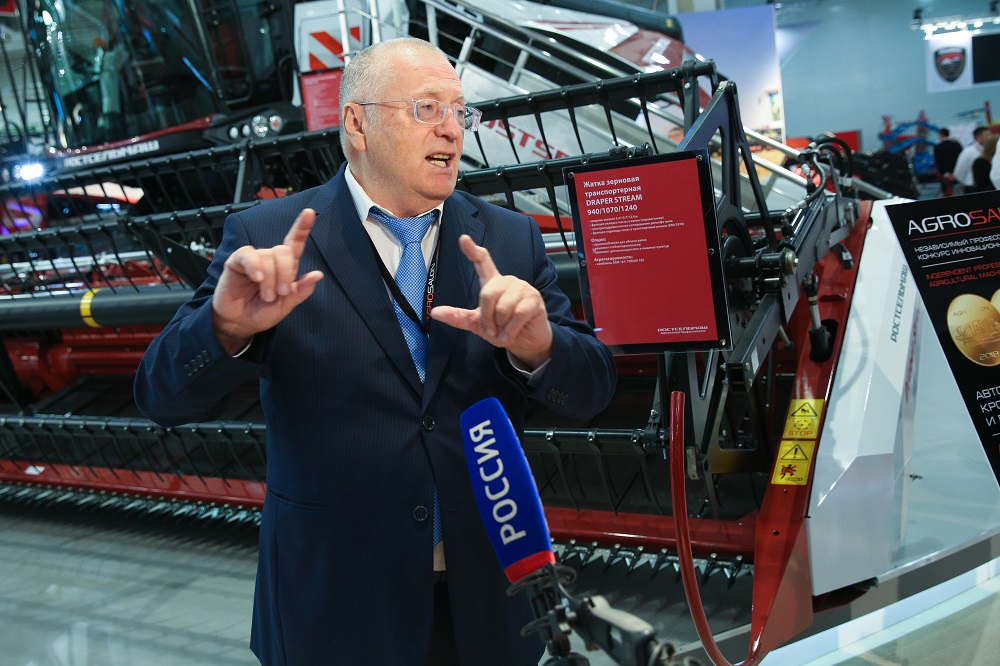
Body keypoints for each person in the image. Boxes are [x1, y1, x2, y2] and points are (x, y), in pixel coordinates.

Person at [133, 37, 618, 666]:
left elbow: (594, 388)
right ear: (357, 124)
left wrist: (540, 346)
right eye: (426, 108)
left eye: (460, 111)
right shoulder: (268, 237)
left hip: (486, 608)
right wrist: (224, 327)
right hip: (335, 606)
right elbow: (161, 397)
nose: (452, 129)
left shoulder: (508, 239)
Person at [953, 126, 990, 194]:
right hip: (972, 187)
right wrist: (967, 181)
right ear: (978, 137)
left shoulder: (989, 149)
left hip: (988, 186)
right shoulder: (968, 151)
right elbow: (959, 172)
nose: (989, 137)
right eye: (986, 135)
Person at [932, 127, 962, 196]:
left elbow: (938, 162)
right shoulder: (956, 145)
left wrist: (946, 174)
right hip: (958, 174)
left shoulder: (938, 147)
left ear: (940, 135)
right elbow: (961, 159)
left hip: (945, 177)